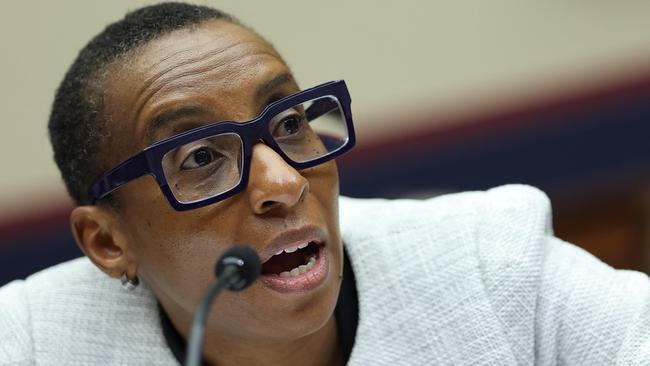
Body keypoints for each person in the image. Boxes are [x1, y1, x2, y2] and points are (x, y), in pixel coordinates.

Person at [1, 2, 649, 365]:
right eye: (200, 157)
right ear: (108, 243)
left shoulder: (490, 269)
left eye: (288, 122)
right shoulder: (34, 343)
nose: (281, 182)